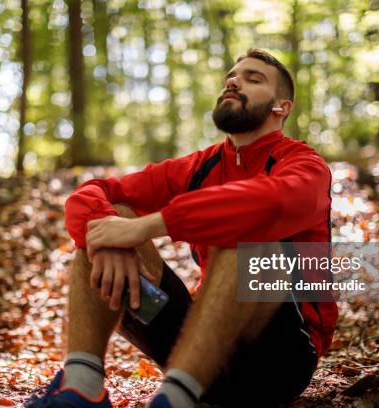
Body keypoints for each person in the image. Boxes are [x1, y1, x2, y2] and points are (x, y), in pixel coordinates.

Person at [26, 48, 337, 408]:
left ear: (281, 107)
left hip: (279, 360)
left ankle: (175, 399)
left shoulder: (304, 164)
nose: (234, 82)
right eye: (231, 77)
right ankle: (82, 387)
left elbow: (275, 203)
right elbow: (95, 192)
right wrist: (110, 236)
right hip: (200, 350)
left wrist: (151, 226)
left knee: (248, 235)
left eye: (253, 78)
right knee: (109, 219)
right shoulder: (200, 166)